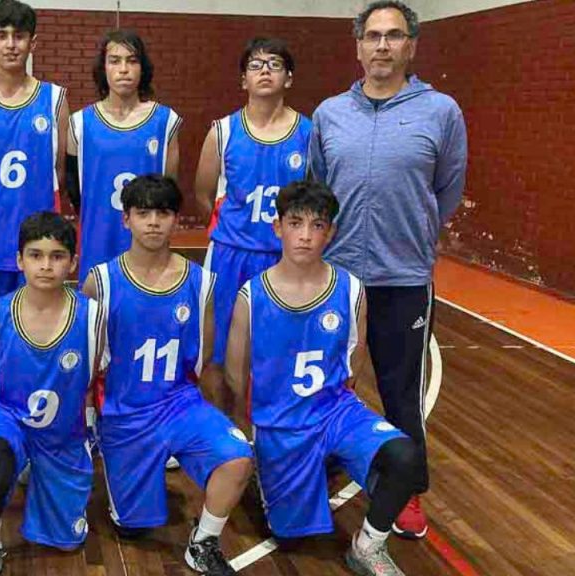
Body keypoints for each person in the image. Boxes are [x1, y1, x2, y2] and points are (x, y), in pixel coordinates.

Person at [308, 0, 468, 538]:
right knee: (329, 381)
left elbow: (447, 189)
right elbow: (319, 188)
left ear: (411, 46)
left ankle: (407, 490)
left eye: (394, 35)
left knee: (401, 391)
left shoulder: (441, 111)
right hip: (337, 278)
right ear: (357, 46)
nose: (382, 45)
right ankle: (321, 462)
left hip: (404, 278)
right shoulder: (330, 113)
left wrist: (413, 232)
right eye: (373, 35)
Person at [225, 180, 423, 576]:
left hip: (334, 411)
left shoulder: (350, 288)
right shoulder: (252, 295)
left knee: (405, 456)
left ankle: (367, 546)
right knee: (290, 537)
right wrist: (254, 430)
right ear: (278, 227)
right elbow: (235, 373)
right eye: (295, 223)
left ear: (330, 232)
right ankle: (280, 467)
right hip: (281, 423)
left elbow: (355, 358)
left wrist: (340, 413)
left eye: (317, 226)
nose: (305, 235)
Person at [82, 175, 253, 576]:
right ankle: (134, 466)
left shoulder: (201, 283)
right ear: (126, 219)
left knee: (237, 457)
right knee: (132, 527)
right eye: (143, 213)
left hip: (179, 405)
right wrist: (87, 418)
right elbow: (86, 362)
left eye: (163, 213)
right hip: (124, 414)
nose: (154, 222)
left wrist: (216, 416)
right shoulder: (100, 281)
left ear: (177, 219)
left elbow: (204, 360)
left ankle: (203, 542)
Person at [0, 212, 103, 576]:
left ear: (73, 262)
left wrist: (90, 422)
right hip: (10, 419)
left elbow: (93, 379)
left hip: (63, 432)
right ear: (19, 260)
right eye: (35, 255)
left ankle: (36, 467)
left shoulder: (92, 316)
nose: (45, 265)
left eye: (57, 256)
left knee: (67, 543)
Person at [193, 36, 310, 402]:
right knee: (217, 352)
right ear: (243, 79)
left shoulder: (308, 134)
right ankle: (226, 427)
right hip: (230, 256)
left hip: (283, 258)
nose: (265, 71)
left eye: (275, 64)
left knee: (281, 351)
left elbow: (315, 200)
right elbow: (203, 195)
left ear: (289, 77)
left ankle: (271, 425)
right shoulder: (223, 131)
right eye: (255, 65)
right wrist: (234, 230)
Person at [0, 0, 69, 317]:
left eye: (19, 36)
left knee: (40, 321)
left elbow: (59, 172)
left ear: (33, 43)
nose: (10, 44)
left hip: (40, 241)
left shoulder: (55, 99)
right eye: (1, 35)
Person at [67, 28, 181, 283]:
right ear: (103, 68)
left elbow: (169, 190)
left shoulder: (165, 121)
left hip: (148, 245)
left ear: (143, 68)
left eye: (132, 61)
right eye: (115, 61)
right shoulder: (79, 123)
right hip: (98, 240)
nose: (124, 69)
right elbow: (74, 189)